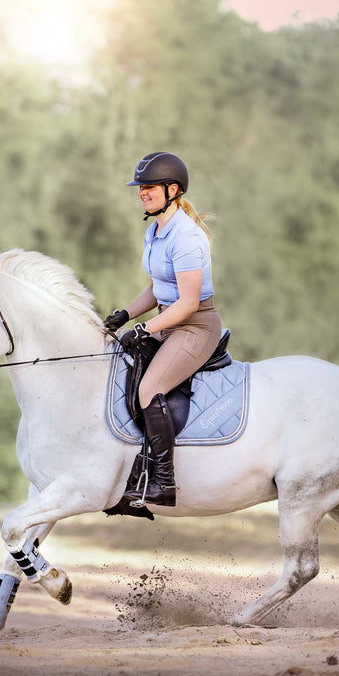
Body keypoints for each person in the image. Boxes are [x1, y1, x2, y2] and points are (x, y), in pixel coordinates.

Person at [103, 151, 223, 506]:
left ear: (173, 190)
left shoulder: (186, 236)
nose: (142, 192)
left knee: (150, 387)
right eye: (140, 187)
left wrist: (145, 328)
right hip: (169, 321)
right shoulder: (155, 231)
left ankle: (162, 482)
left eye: (150, 187)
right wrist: (125, 314)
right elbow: (158, 287)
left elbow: (186, 303)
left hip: (195, 325)